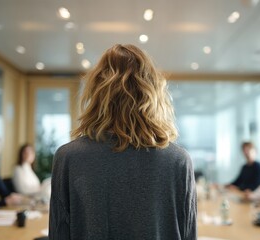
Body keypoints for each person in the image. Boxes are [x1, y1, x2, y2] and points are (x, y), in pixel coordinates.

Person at [49, 44, 197, 240]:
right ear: (152, 92)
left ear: (97, 92)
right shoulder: (179, 161)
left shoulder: (68, 158)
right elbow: (188, 234)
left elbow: (59, 234)